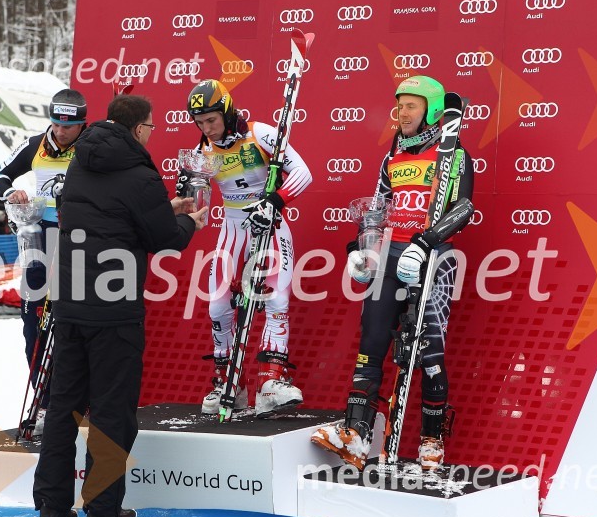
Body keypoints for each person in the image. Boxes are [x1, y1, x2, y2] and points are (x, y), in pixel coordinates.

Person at [32, 94, 208, 517]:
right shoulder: (140, 173)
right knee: (112, 412)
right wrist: (190, 222)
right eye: (150, 127)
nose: (151, 134)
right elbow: (165, 239)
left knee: (62, 410)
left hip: (71, 306)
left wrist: (165, 209)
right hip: (114, 313)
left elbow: (112, 216)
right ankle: (103, 511)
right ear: (136, 129)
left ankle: (52, 509)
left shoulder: (79, 163)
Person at [311, 76, 475, 471]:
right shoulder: (393, 156)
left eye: (412, 106)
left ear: (433, 111)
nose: (403, 112)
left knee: (428, 352)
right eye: (400, 105)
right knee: (372, 341)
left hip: (432, 257)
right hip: (391, 255)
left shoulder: (453, 155)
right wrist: (361, 250)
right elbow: (377, 208)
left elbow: (464, 208)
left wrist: (426, 242)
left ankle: (432, 441)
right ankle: (356, 433)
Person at [180, 79, 313, 418]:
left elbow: (303, 172)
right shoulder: (202, 152)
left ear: (226, 111)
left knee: (277, 297)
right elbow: (195, 197)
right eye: (200, 122)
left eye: (211, 119)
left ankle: (271, 382)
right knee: (217, 306)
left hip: (270, 222)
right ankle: (228, 383)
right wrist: (187, 186)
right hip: (233, 226)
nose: (206, 128)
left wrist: (275, 200)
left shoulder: (261, 133)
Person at [0, 88, 87, 436]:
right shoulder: (35, 143)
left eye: (68, 127)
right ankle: (44, 402)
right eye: (56, 124)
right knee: (33, 325)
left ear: (81, 125)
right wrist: (10, 192)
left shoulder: (91, 145)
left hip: (79, 243)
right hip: (40, 242)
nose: (60, 132)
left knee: (74, 328)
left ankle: (75, 402)